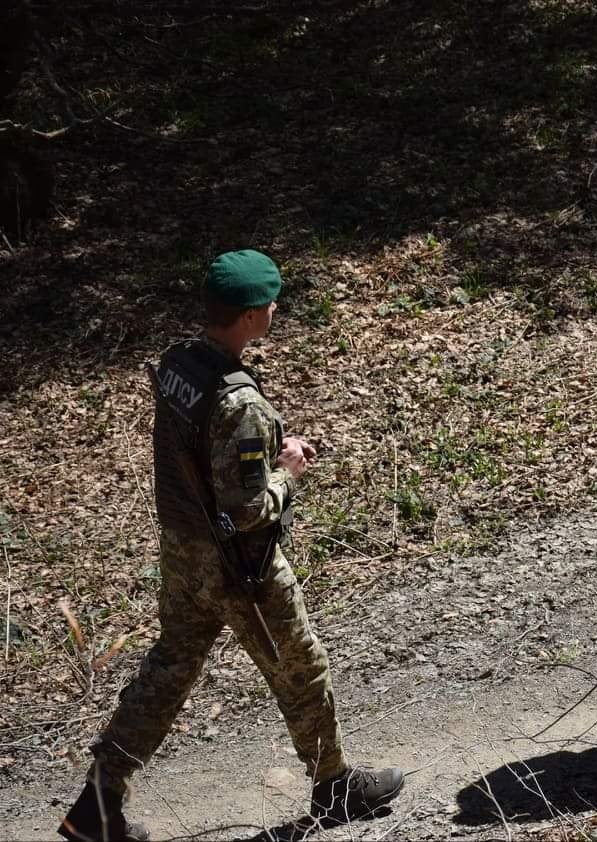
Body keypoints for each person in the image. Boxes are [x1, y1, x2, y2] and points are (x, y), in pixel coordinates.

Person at [58, 250, 404, 842]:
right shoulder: (240, 402)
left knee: (167, 672)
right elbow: (244, 510)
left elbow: (199, 457)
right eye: (269, 302)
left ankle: (95, 806)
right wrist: (287, 474)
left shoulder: (181, 364)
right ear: (248, 316)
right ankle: (334, 785)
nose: (275, 309)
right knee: (300, 666)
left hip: (182, 552)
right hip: (238, 566)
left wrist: (264, 453)